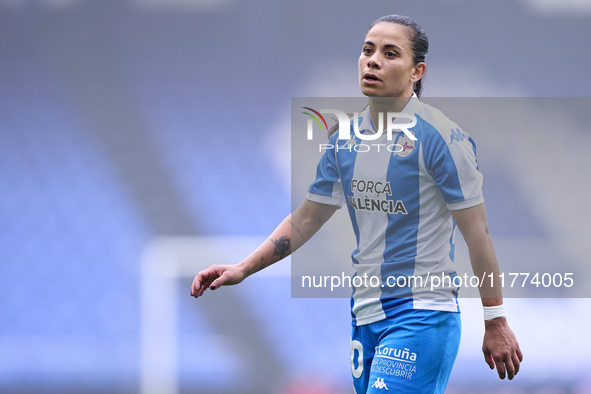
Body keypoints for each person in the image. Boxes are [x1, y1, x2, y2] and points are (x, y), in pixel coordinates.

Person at [191, 14, 522, 394]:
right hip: (364, 317)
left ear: (417, 71)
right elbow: (307, 218)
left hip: (421, 314)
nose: (373, 60)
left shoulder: (441, 138)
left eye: (390, 53)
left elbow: (477, 234)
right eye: (367, 50)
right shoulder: (343, 138)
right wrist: (243, 267)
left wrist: (495, 319)